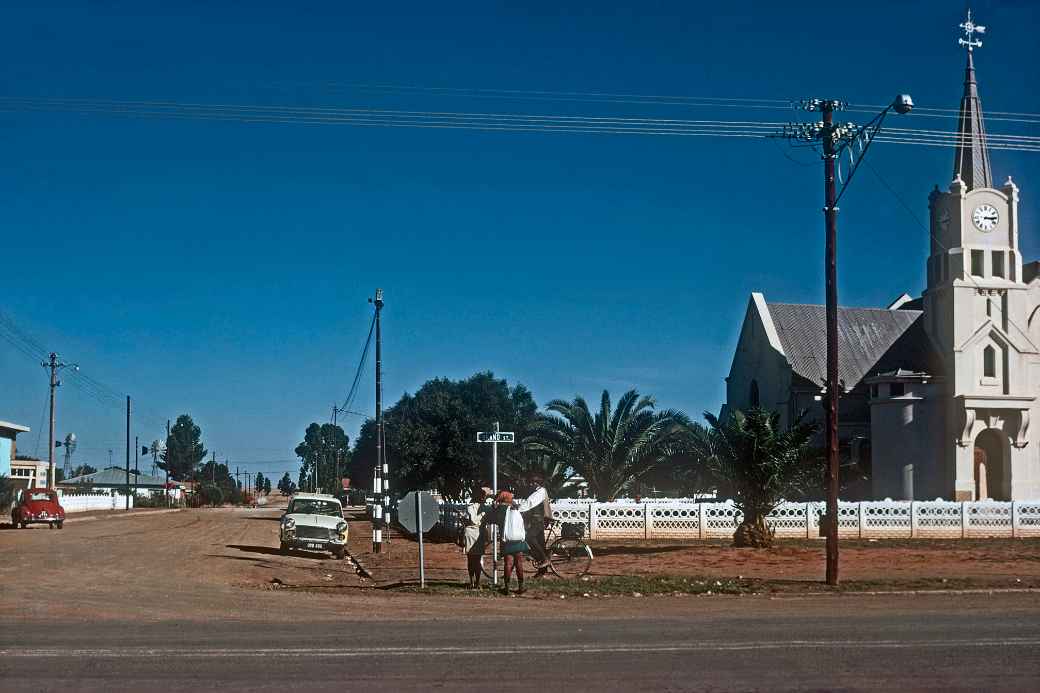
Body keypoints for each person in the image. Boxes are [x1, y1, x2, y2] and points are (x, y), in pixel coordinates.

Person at [483, 490, 529, 595]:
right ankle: (521, 587)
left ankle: (507, 588)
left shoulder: (500, 510)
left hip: (506, 540)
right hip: (517, 538)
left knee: (508, 563)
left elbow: (490, 520)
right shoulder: (515, 507)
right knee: (519, 563)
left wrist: (494, 507)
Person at [518, 474, 551, 571]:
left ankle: (544, 558)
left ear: (536, 483)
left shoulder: (540, 492)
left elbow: (530, 502)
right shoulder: (538, 491)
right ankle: (542, 570)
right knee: (540, 544)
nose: (530, 485)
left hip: (538, 520)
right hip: (537, 520)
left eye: (532, 483)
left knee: (529, 537)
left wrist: (518, 509)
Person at [463, 485, 489, 588]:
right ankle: (471, 581)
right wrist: (482, 515)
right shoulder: (471, 507)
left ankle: (477, 582)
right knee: (471, 559)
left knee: (477, 559)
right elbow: (474, 520)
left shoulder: (484, 508)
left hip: (479, 533)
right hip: (471, 534)